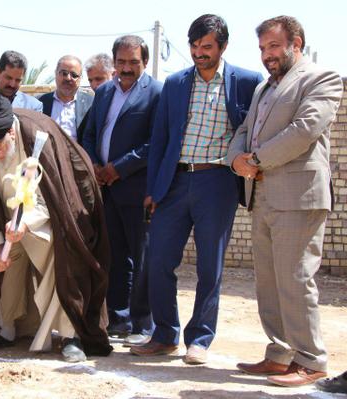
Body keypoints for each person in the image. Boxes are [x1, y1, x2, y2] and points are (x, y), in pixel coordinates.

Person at [0, 93, 112, 363]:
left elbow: (55, 198)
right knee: (3, 259)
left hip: (54, 219)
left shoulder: (37, 135)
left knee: (57, 254)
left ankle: (70, 334)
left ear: (10, 135)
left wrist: (25, 222)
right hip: (6, 215)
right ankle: (7, 329)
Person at [131, 15, 262, 364]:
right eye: (194, 46)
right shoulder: (175, 83)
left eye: (206, 47)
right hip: (174, 182)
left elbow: (254, 131)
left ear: (222, 46)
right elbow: (159, 138)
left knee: (210, 267)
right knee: (158, 260)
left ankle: (200, 339)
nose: (198, 53)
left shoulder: (248, 82)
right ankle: (164, 334)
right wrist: (153, 189)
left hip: (217, 182)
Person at [228, 16, 343, 386]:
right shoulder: (264, 89)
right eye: (263, 48)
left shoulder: (321, 79)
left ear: (297, 43)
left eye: (274, 47)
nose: (267, 55)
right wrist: (236, 160)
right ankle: (280, 355)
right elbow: (244, 131)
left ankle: (311, 360)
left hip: (298, 197)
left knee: (295, 279)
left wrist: (257, 161)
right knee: (269, 282)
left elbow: (305, 129)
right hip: (261, 195)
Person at [82, 35, 161, 346]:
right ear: (113, 63)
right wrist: (95, 165)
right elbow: (88, 134)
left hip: (136, 188)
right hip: (106, 189)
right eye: (121, 62)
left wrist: (119, 167)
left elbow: (156, 141)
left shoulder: (156, 93)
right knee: (113, 256)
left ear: (145, 62)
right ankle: (118, 318)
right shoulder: (102, 93)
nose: (126, 68)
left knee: (143, 257)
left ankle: (144, 324)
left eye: (133, 62)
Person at [39, 55, 93, 143]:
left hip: (79, 155)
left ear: (81, 78)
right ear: (55, 74)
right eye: (64, 73)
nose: (68, 78)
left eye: (74, 75)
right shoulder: (40, 102)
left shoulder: (91, 103)